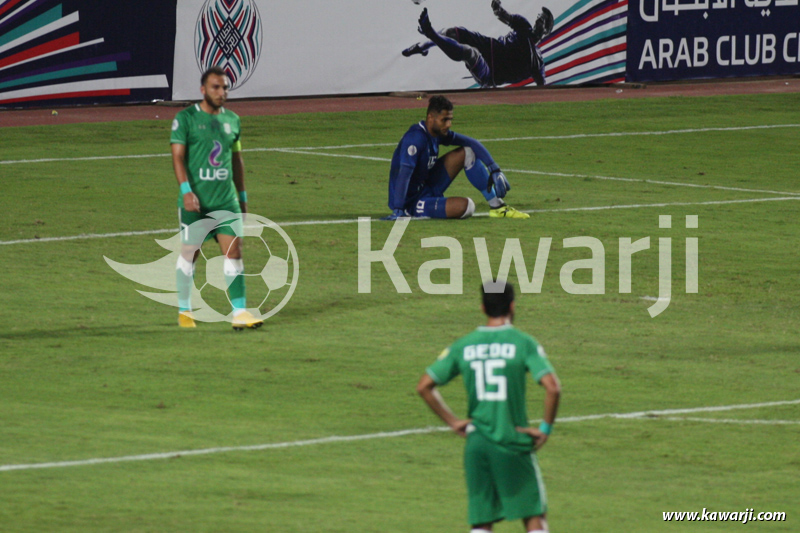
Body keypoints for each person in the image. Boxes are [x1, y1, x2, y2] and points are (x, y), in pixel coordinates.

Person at [416, 281, 561, 532]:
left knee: (482, 521)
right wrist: (545, 428)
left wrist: (453, 421)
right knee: (534, 515)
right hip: (511, 440)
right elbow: (553, 387)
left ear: (483, 307)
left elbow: (424, 386)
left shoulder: (463, 345)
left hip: (477, 443)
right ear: (513, 306)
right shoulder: (522, 342)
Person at [170, 65, 263, 330]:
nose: (221, 92)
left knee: (234, 252)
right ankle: (185, 310)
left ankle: (240, 312)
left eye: (224, 87)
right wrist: (187, 192)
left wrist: (242, 196)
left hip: (225, 200)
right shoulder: (185, 118)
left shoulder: (233, 120)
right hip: (196, 202)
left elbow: (236, 160)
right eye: (216, 87)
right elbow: (177, 157)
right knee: (190, 253)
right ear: (203, 90)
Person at [384, 95, 529, 220]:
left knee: (468, 151)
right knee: (467, 207)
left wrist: (494, 168)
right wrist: (398, 209)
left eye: (450, 119)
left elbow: (471, 142)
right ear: (430, 118)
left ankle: (498, 207)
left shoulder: (436, 133)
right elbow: (404, 174)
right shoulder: (415, 138)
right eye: (444, 120)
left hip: (427, 185)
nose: (448, 124)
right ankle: (412, 210)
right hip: (411, 201)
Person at [404, 3, 554, 88]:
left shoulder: (537, 62)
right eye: (538, 18)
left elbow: (542, 88)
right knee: (452, 31)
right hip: (488, 45)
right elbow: (501, 14)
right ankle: (424, 47)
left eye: (541, 21)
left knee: (470, 53)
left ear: (545, 31)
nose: (537, 22)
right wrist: (496, 6)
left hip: (490, 73)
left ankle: (430, 33)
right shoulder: (524, 26)